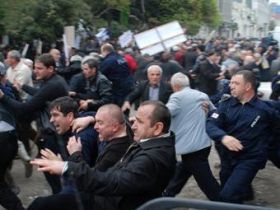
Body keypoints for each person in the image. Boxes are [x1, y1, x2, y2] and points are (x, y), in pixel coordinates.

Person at [29, 101, 176, 210]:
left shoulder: (151, 159)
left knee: (41, 205)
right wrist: (91, 118)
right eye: (134, 120)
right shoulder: (148, 139)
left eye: (139, 121)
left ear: (157, 128)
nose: (133, 125)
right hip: (103, 198)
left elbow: (109, 181)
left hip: (105, 203)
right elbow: (115, 115)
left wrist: (68, 164)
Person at [206, 70, 280, 203]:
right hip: (228, 158)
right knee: (231, 194)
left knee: (226, 196)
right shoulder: (225, 105)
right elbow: (211, 124)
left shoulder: (266, 110)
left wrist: (263, 148)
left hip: (249, 159)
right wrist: (223, 137)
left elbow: (275, 131)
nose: (231, 86)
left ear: (247, 86)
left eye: (236, 83)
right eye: (231, 82)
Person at [0, 53, 69, 194]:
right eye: (35, 68)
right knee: (49, 164)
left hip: (54, 132)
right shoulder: (52, 81)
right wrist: (23, 86)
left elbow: (24, 109)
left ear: (50, 69)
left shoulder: (53, 84)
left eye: (39, 68)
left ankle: (60, 196)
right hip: (53, 130)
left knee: (49, 166)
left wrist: (3, 97)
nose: (35, 71)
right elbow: (40, 93)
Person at [162, 72, 220, 200]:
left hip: (192, 147)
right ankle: (168, 195)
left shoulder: (176, 97)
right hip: (203, 144)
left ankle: (223, 203)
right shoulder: (202, 95)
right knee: (183, 171)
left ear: (175, 86)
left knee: (205, 181)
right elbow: (215, 112)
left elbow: (164, 113)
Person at [0, 64, 25, 210]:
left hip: (4, 140)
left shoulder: (5, 92)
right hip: (9, 140)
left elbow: (21, 109)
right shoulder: (8, 89)